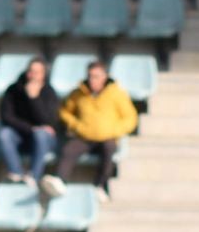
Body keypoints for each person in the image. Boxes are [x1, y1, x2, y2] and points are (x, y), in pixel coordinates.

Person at [46, 59, 137, 197]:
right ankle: (60, 181)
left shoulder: (117, 94)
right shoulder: (78, 94)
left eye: (96, 76)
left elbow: (130, 118)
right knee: (69, 149)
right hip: (85, 136)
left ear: (104, 76)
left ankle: (100, 185)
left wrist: (113, 130)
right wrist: (76, 125)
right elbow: (65, 112)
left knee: (109, 149)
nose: (92, 79)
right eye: (90, 76)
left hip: (107, 137)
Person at [0, 58, 59, 188]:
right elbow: (6, 117)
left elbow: (49, 122)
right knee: (4, 134)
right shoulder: (13, 90)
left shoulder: (49, 92)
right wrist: (31, 128)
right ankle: (16, 173)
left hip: (42, 140)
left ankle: (33, 176)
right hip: (20, 136)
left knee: (41, 134)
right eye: (31, 71)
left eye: (37, 72)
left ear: (43, 74)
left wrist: (34, 99)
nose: (33, 75)